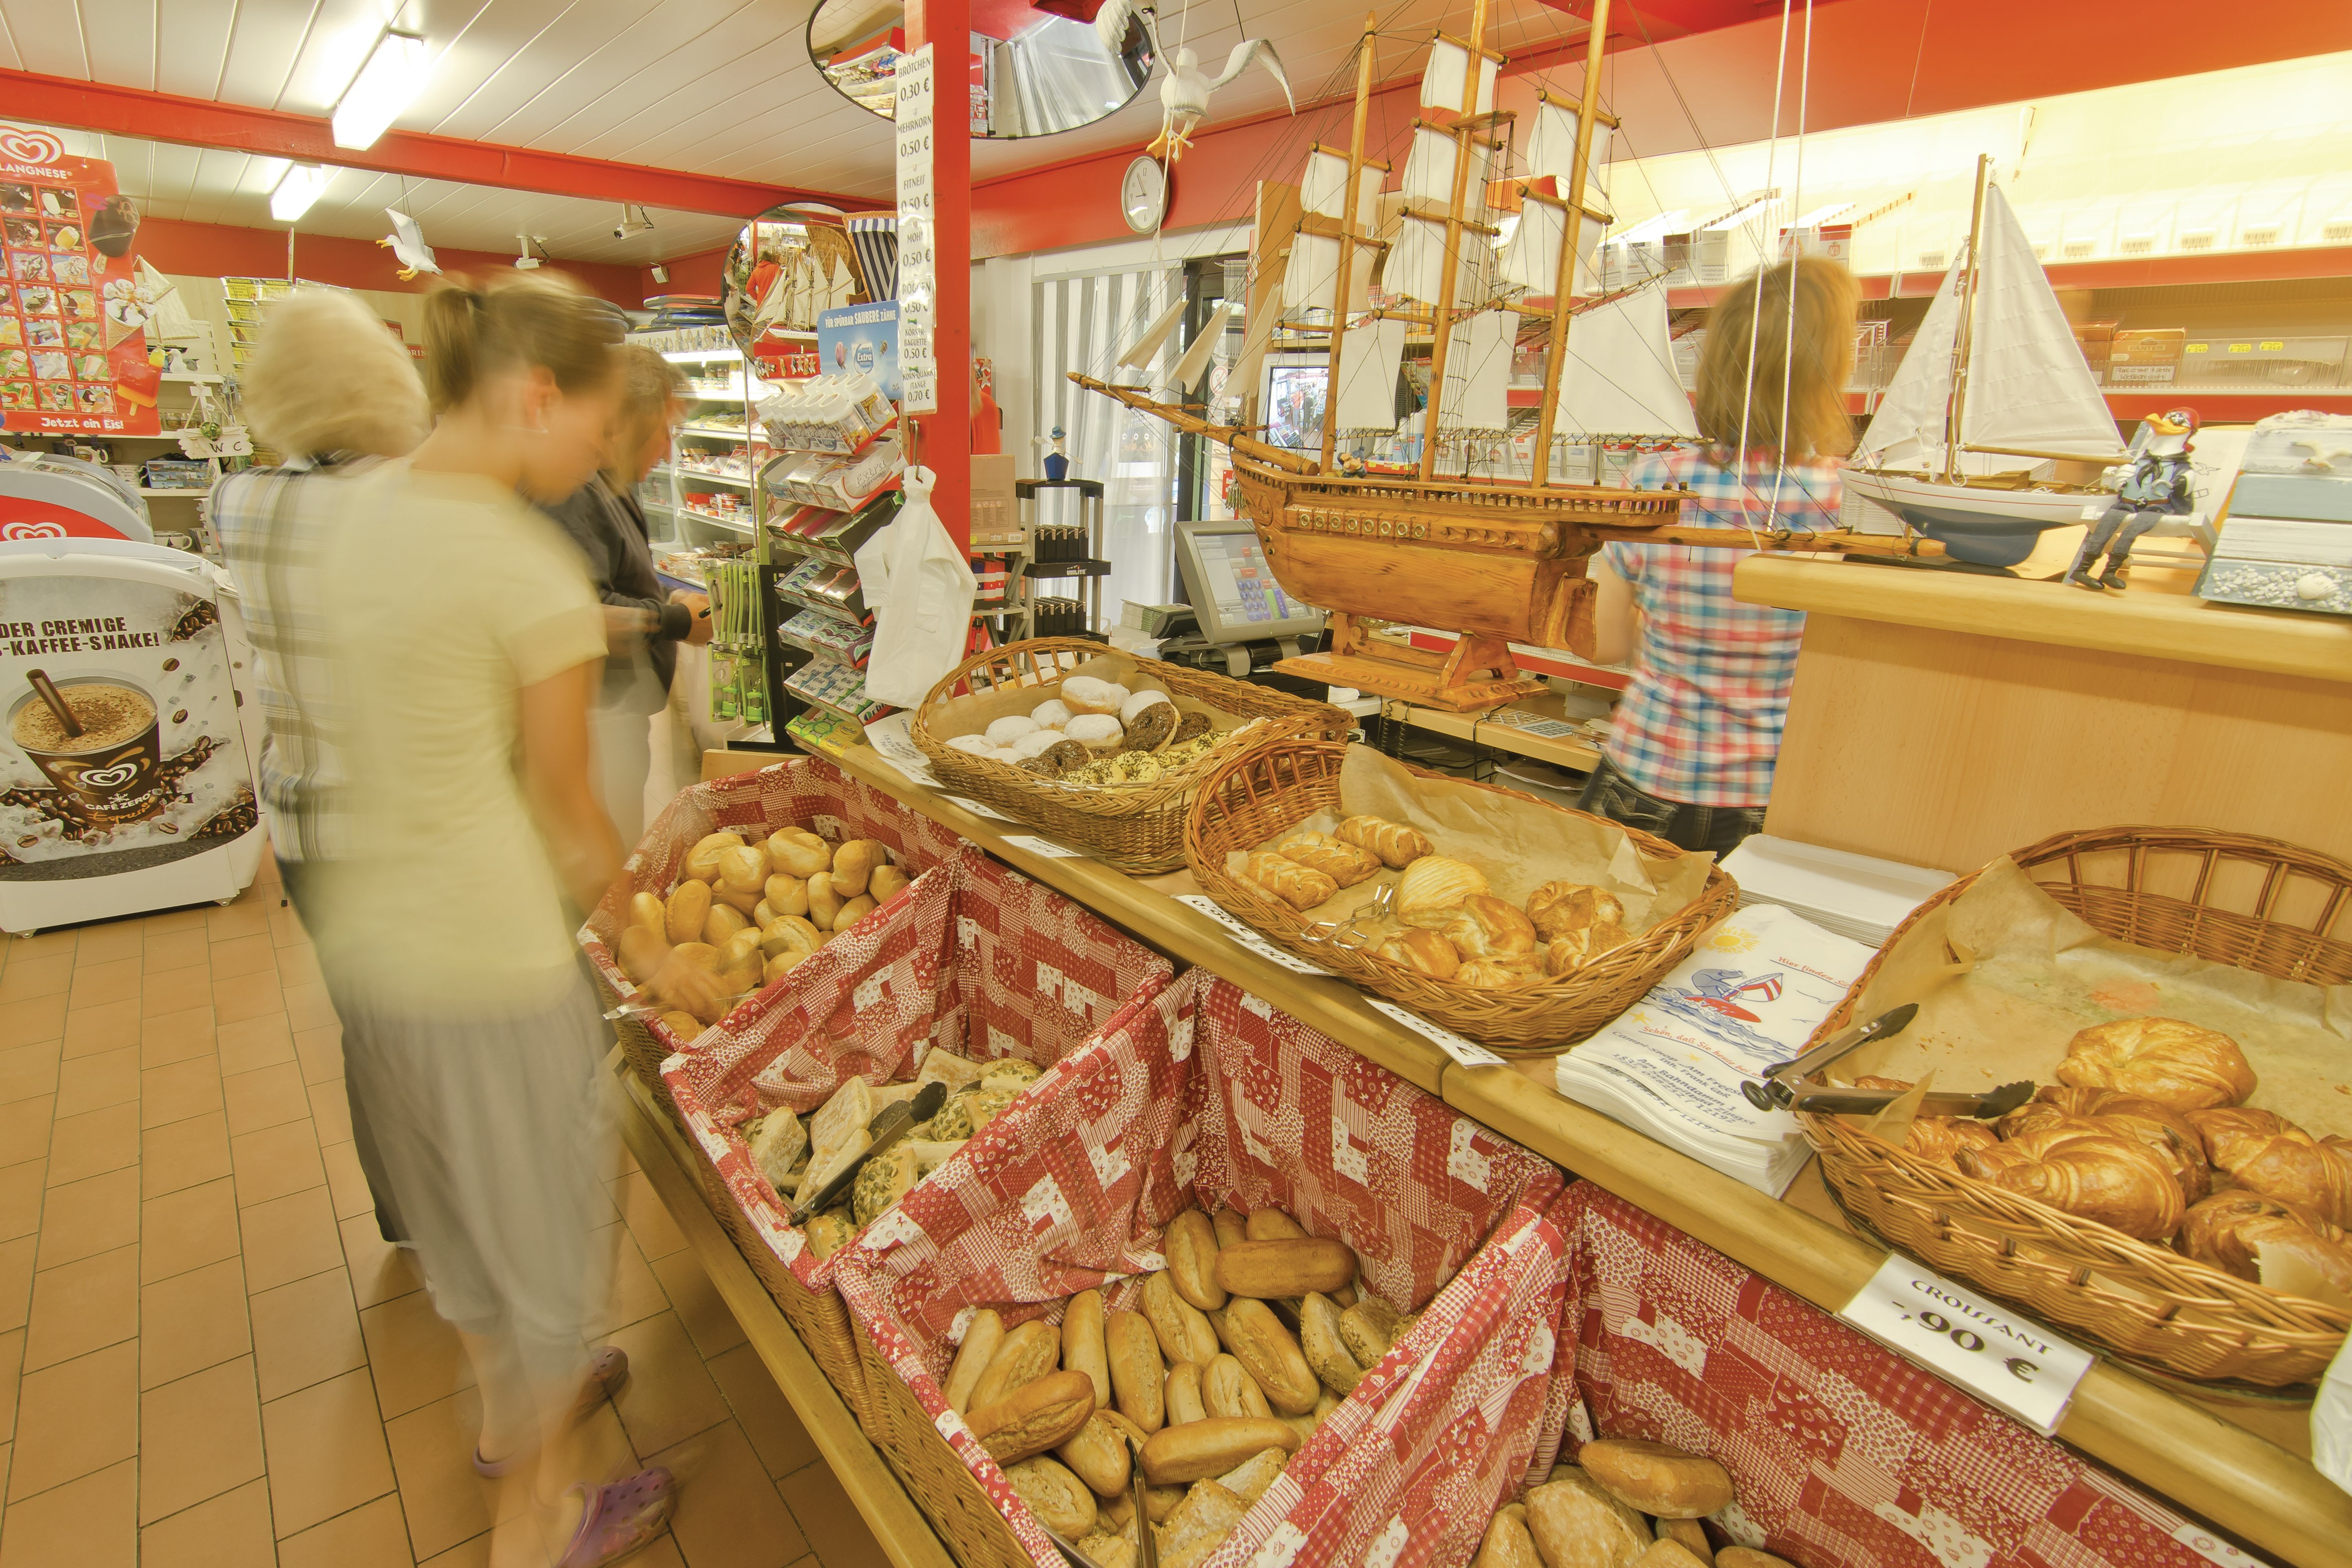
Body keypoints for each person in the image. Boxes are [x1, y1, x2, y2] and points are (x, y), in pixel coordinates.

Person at [313, 273, 713, 1566]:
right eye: (594, 434)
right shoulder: (521, 563)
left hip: (369, 955)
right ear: (536, 397)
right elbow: (569, 819)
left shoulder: (352, 516)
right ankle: (538, 1521)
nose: (595, 460)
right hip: (489, 960)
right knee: (547, 1231)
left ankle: (504, 1412)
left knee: (469, 1228)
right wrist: (650, 948)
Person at [211, 289, 430, 1249]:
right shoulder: (407, 505)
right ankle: (475, 1237)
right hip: (404, 825)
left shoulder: (237, 502)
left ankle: (404, 1215)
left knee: (371, 1033)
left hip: (304, 823)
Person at [1577, 256, 1860, 856]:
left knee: (1607, 941)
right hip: (1773, 790)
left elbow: (1605, 645)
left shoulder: (1654, 481)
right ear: (1829, 369)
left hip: (1648, 770)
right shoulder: (1850, 503)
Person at [541, 346, 711, 844]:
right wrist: (678, 622)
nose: (667, 447)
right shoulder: (573, 491)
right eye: (665, 430)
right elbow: (583, 614)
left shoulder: (609, 486)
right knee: (604, 858)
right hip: (594, 724)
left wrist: (670, 596)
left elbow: (617, 576)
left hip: (616, 716)